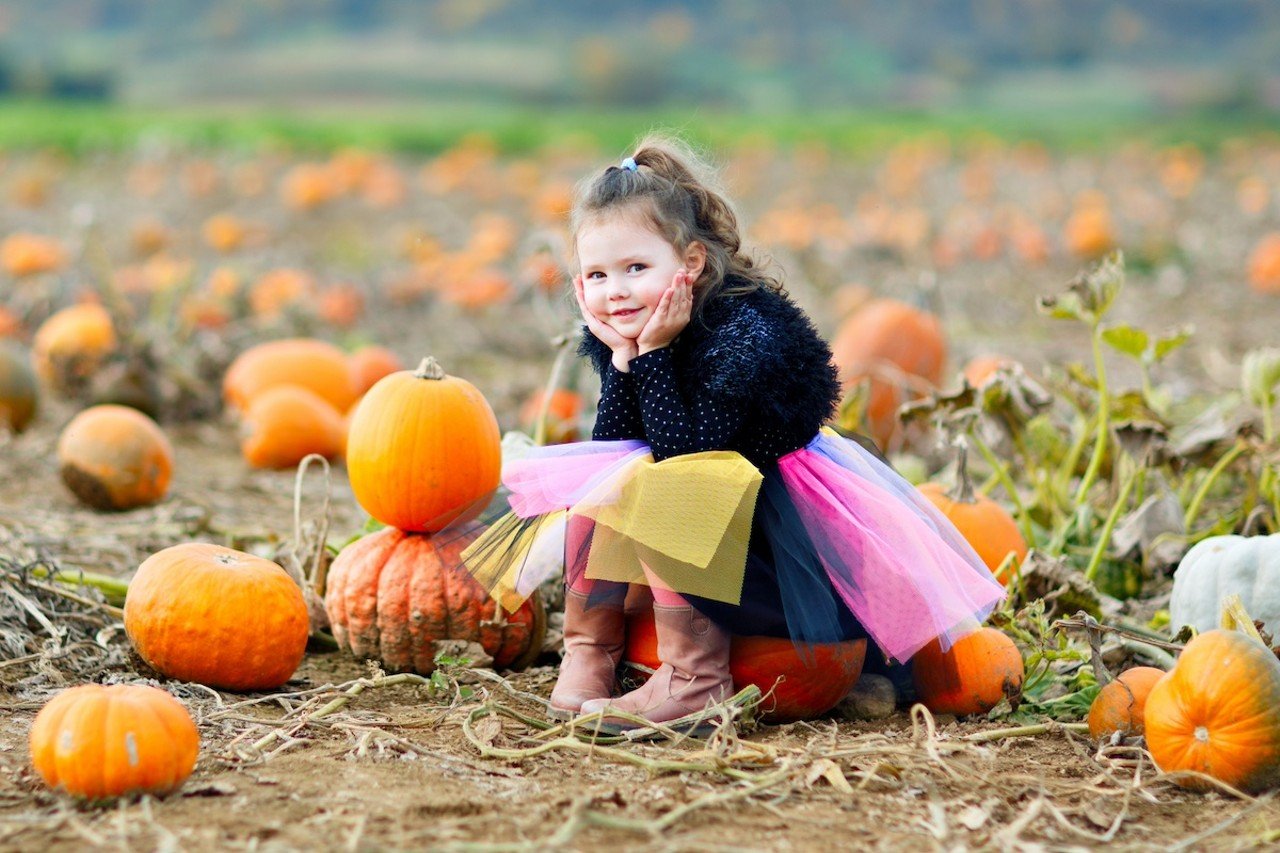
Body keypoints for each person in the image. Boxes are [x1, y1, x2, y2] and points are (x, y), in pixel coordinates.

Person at [462, 134, 1006, 734]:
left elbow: (691, 465)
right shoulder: (630, 328)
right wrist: (624, 362)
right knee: (603, 481)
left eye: (635, 268)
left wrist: (653, 358)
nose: (614, 290)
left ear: (690, 263)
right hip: (707, 530)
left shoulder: (743, 336)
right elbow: (617, 449)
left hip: (775, 549)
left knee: (663, 487)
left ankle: (696, 681)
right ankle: (591, 653)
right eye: (596, 275)